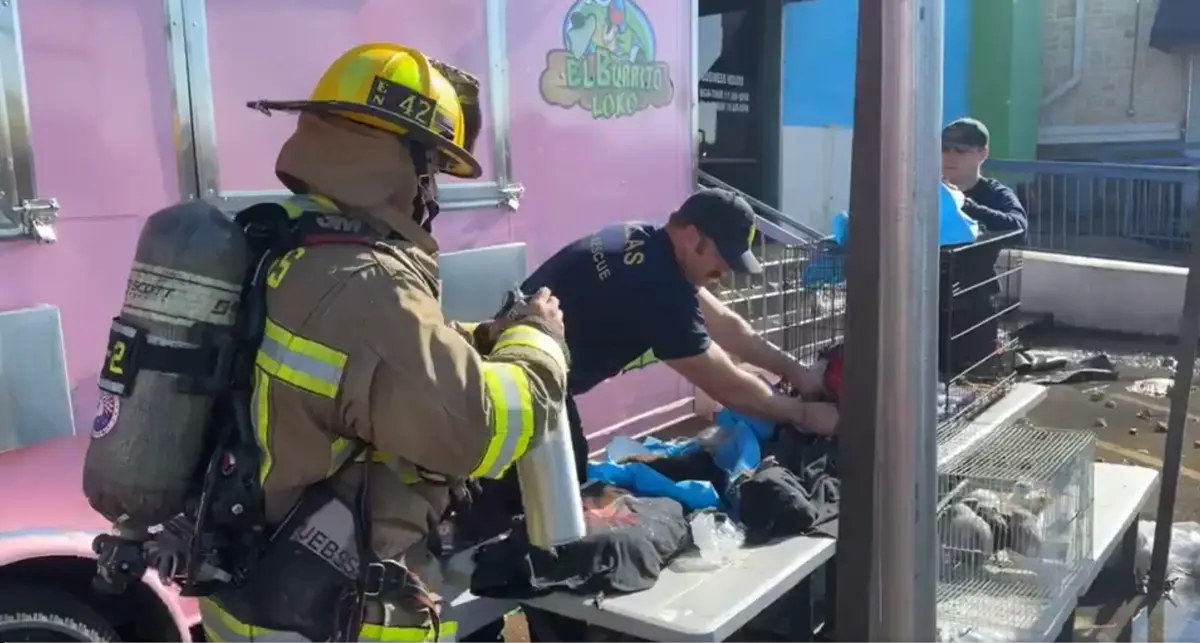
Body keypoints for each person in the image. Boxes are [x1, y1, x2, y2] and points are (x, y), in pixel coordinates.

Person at [197, 43, 570, 642]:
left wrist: (480, 339)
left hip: (244, 602)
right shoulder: (368, 283)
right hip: (339, 620)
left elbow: (363, 373)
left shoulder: (277, 244)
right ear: (408, 163)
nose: (433, 193)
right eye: (433, 169)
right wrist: (536, 340)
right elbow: (474, 429)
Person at [462, 187, 837, 641]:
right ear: (693, 236)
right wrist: (802, 413)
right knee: (535, 535)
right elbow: (723, 382)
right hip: (511, 403)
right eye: (723, 259)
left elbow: (726, 327)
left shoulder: (645, 242)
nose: (725, 274)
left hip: (529, 390)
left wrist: (795, 371)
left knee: (551, 519)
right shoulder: (656, 288)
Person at [940, 117, 1028, 376]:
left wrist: (963, 204)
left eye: (961, 151)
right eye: (944, 149)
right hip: (925, 300)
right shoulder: (926, 189)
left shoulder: (994, 194)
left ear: (982, 154)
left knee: (970, 378)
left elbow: (1018, 228)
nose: (950, 157)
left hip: (973, 305)